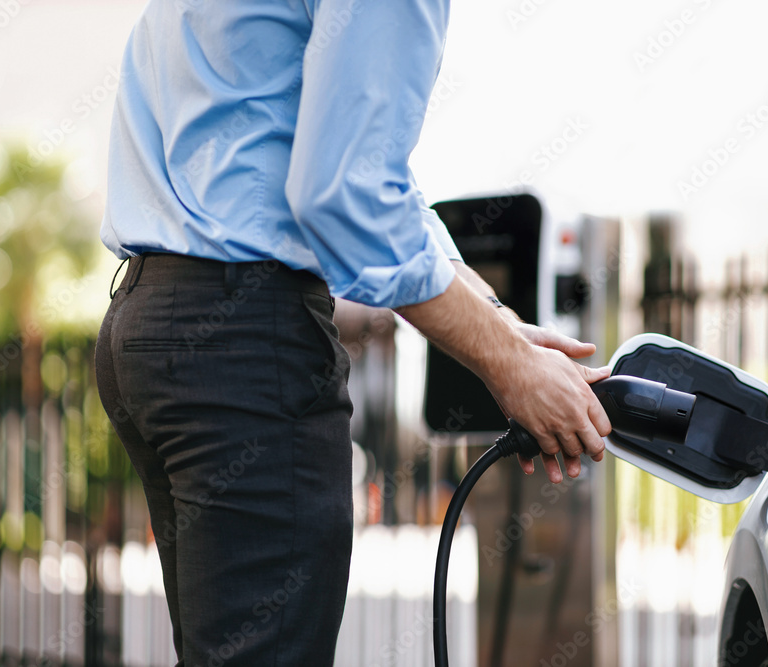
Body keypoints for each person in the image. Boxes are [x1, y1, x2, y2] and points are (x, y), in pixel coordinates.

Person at [94, 0, 612, 664]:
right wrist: (505, 361)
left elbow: (335, 154)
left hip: (152, 320)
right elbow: (346, 192)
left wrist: (499, 322)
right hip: (245, 341)